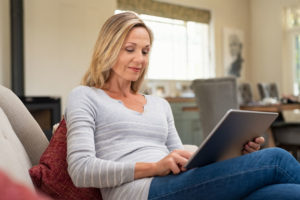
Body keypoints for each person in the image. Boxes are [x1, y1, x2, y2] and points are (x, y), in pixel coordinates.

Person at [65, 12, 300, 200]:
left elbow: (184, 159)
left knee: (287, 194)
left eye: (145, 51)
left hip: (177, 184)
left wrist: (235, 153)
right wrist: (155, 167)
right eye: (130, 49)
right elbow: (81, 170)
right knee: (277, 159)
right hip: (140, 192)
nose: (140, 59)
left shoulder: (159, 104)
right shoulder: (85, 96)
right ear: (108, 48)